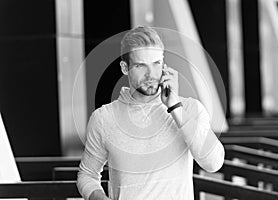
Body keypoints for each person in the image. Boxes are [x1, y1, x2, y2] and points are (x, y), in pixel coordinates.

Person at [77, 26, 225, 200]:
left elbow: (213, 163)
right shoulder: (104, 118)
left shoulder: (190, 108)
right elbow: (87, 175)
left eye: (156, 63)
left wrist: (175, 107)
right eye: (141, 65)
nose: (151, 74)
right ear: (125, 68)